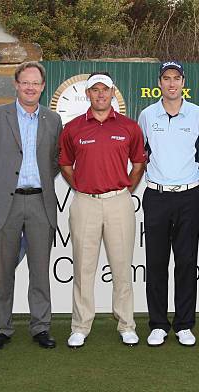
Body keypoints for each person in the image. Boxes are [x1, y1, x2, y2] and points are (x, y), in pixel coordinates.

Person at [0, 61, 63, 351]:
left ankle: (41, 327)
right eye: (25, 82)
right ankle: (1, 328)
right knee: (3, 271)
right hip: (5, 204)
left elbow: (55, 161)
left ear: (42, 87)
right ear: (16, 84)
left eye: (35, 83)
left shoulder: (53, 120)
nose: (30, 87)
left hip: (40, 202)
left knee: (39, 270)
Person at [59, 72, 146, 348]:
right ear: (88, 94)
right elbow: (65, 165)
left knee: (121, 267)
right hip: (85, 202)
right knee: (84, 268)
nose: (100, 95)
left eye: (104, 90)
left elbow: (138, 163)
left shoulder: (129, 127)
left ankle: (126, 324)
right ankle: (80, 326)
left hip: (119, 201)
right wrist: (82, 187)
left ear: (112, 94)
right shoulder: (73, 128)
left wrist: (125, 191)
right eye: (95, 90)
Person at [137, 61, 199, 347]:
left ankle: (184, 324)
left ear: (183, 83)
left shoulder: (197, 114)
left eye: (176, 79)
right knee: (156, 263)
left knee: (186, 262)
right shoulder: (147, 115)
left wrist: (197, 175)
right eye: (166, 78)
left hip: (188, 196)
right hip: (156, 196)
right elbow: (140, 151)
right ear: (159, 83)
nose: (171, 84)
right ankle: (158, 324)